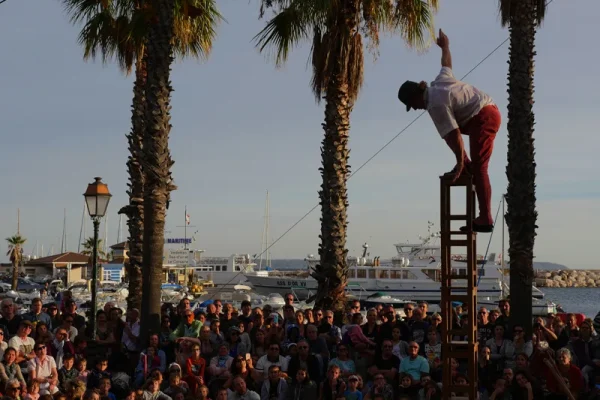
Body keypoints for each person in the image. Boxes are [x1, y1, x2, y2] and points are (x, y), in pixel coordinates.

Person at [397, 29, 502, 232]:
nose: (416, 108)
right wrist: (445, 46)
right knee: (471, 161)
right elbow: (446, 64)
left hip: (483, 117)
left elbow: (452, 135)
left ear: (417, 96)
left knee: (480, 168)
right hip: (485, 112)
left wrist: (460, 163)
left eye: (413, 104)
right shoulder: (438, 83)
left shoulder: (434, 104)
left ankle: (485, 219)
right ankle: (468, 167)